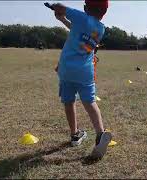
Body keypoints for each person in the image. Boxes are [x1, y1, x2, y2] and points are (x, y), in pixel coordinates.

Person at [49, 0, 112, 159]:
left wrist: (55, 8)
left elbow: (61, 7)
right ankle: (100, 134)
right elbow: (77, 30)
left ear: (88, 8)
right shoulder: (100, 29)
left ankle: (75, 134)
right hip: (85, 71)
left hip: (66, 69)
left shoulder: (81, 17)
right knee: (90, 102)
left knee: (68, 101)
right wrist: (63, 20)